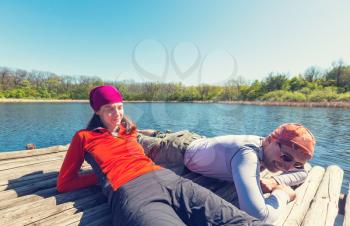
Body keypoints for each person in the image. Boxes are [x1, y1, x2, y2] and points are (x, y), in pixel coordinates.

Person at [56, 85, 270, 226]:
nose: (117, 114)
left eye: (120, 107)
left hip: (167, 178)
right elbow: (65, 182)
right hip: (132, 192)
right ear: (97, 111)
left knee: (239, 220)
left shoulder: (129, 131)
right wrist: (102, 177)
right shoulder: (84, 137)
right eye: (109, 109)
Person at [137, 124, 316, 224]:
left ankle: (158, 133)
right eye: (286, 157)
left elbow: (305, 171)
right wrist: (282, 194)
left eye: (296, 163)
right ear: (270, 140)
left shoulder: (267, 149)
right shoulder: (247, 155)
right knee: (135, 139)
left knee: (161, 135)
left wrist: (276, 180)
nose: (288, 167)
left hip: (199, 141)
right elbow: (259, 216)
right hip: (177, 150)